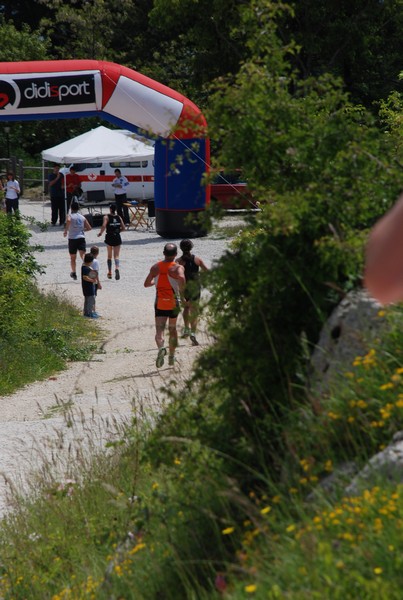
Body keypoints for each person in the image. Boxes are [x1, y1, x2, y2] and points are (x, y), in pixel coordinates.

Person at [144, 243, 186, 368]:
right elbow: (182, 279)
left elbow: (146, 284)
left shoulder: (155, 267)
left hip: (160, 302)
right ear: (176, 254)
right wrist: (183, 295)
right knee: (172, 329)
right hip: (173, 302)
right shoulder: (178, 268)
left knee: (159, 332)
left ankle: (161, 348)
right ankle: (172, 357)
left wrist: (155, 282)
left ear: (163, 253)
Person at [176, 239, 208, 346]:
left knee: (186, 307)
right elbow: (207, 271)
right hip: (195, 287)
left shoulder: (178, 261)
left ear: (180, 248)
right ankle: (193, 333)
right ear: (191, 247)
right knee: (194, 310)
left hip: (184, 288)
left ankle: (186, 328)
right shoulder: (197, 259)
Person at [63, 201, 92, 280]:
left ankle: (74, 273)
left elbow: (68, 220)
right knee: (83, 256)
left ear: (71, 208)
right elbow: (89, 228)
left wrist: (66, 230)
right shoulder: (82, 217)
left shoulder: (70, 215)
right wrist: (82, 230)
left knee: (73, 257)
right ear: (78, 208)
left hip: (72, 238)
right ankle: (89, 269)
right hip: (81, 237)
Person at [97, 203, 125, 280]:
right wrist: (118, 231)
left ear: (110, 209)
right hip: (117, 236)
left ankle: (109, 272)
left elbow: (103, 225)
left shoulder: (106, 217)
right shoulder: (119, 217)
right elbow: (123, 227)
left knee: (109, 255)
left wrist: (100, 233)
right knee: (116, 256)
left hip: (109, 236)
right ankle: (117, 268)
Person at [81, 253, 100, 319]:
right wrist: (92, 280)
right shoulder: (86, 268)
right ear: (91, 261)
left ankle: (86, 313)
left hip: (85, 287)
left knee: (87, 300)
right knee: (90, 300)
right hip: (89, 288)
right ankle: (89, 313)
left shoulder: (83, 266)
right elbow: (85, 277)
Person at [90, 245, 102, 315]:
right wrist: (99, 283)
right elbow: (95, 272)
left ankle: (89, 310)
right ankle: (93, 311)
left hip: (87, 280)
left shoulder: (88, 259)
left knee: (89, 296)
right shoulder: (95, 261)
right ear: (97, 253)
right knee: (93, 296)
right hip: (93, 281)